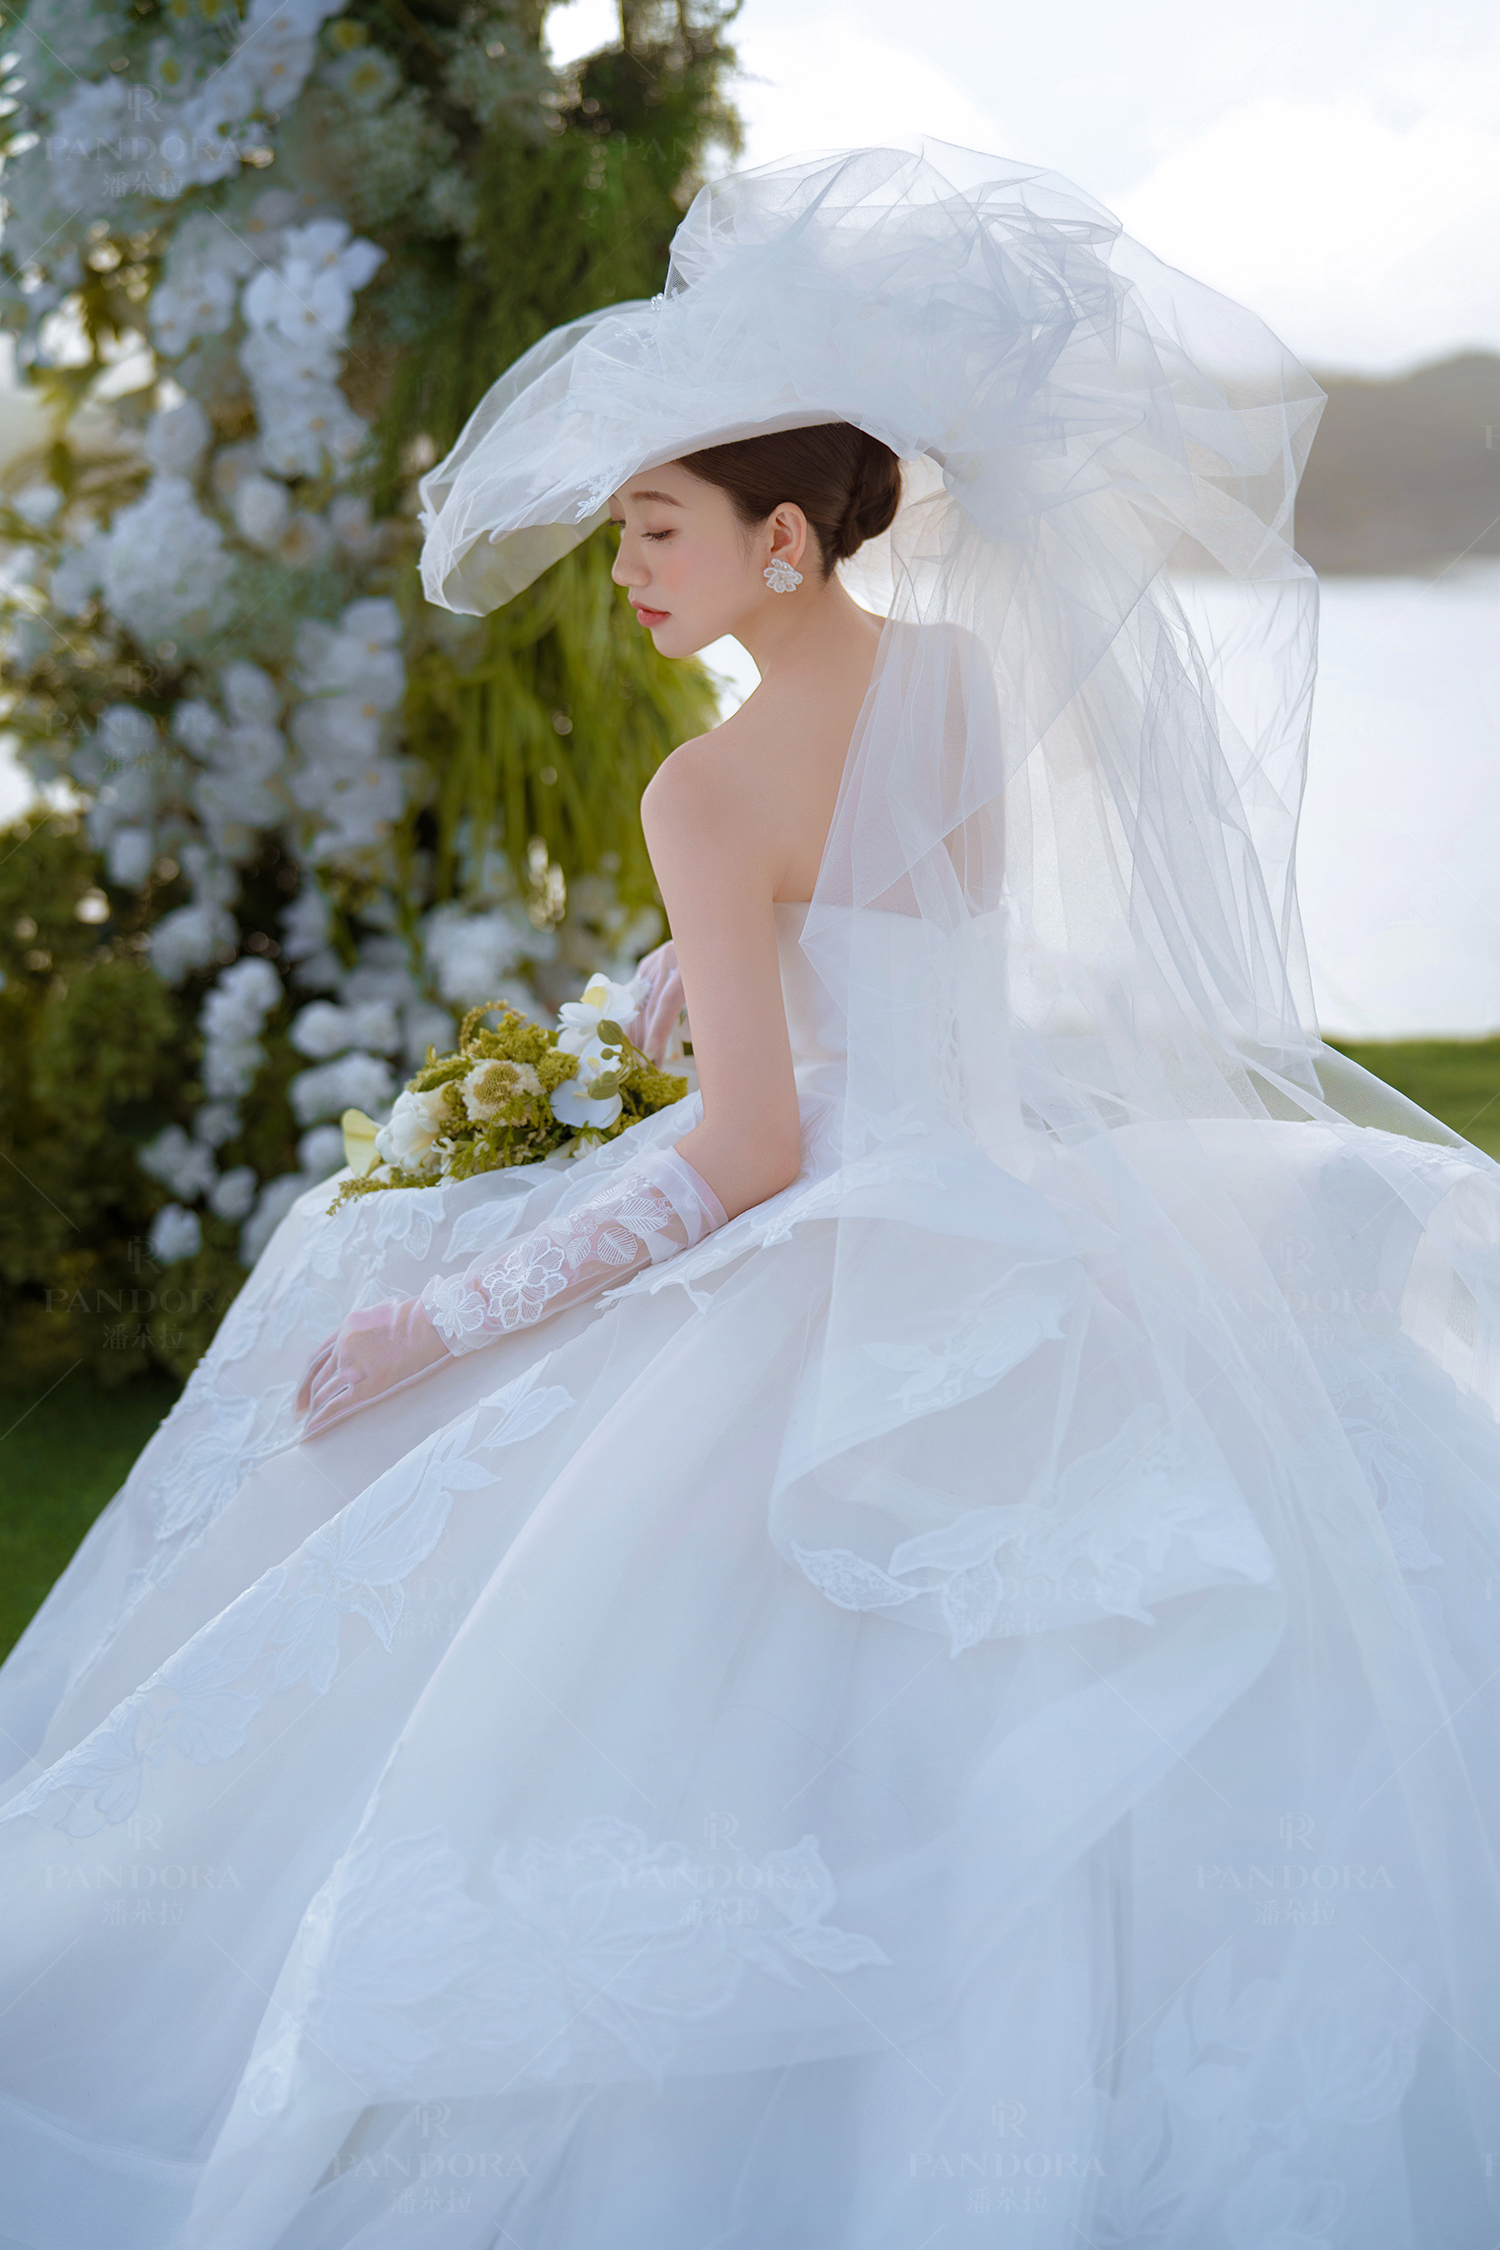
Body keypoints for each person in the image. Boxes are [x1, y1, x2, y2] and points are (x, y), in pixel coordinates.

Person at [2, 139, 1500, 2250]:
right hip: (1009, 1183)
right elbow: (906, 941)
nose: (623, 570)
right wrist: (693, 988)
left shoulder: (702, 784)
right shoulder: (963, 681)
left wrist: (453, 1313)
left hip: (837, 1211)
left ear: (781, 540)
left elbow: (754, 1149)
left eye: (655, 527)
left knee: (465, 1444)